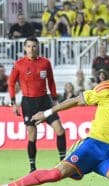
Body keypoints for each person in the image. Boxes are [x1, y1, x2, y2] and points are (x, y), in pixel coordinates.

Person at [8, 36, 67, 173]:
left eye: (34, 46)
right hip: (28, 103)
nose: (31, 49)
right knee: (32, 136)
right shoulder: (19, 64)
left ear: (38, 47)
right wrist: (13, 103)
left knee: (60, 130)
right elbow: (11, 83)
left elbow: (51, 81)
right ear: (24, 48)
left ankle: (63, 162)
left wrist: (54, 98)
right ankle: (32, 167)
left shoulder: (45, 63)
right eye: (28, 46)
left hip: (45, 102)